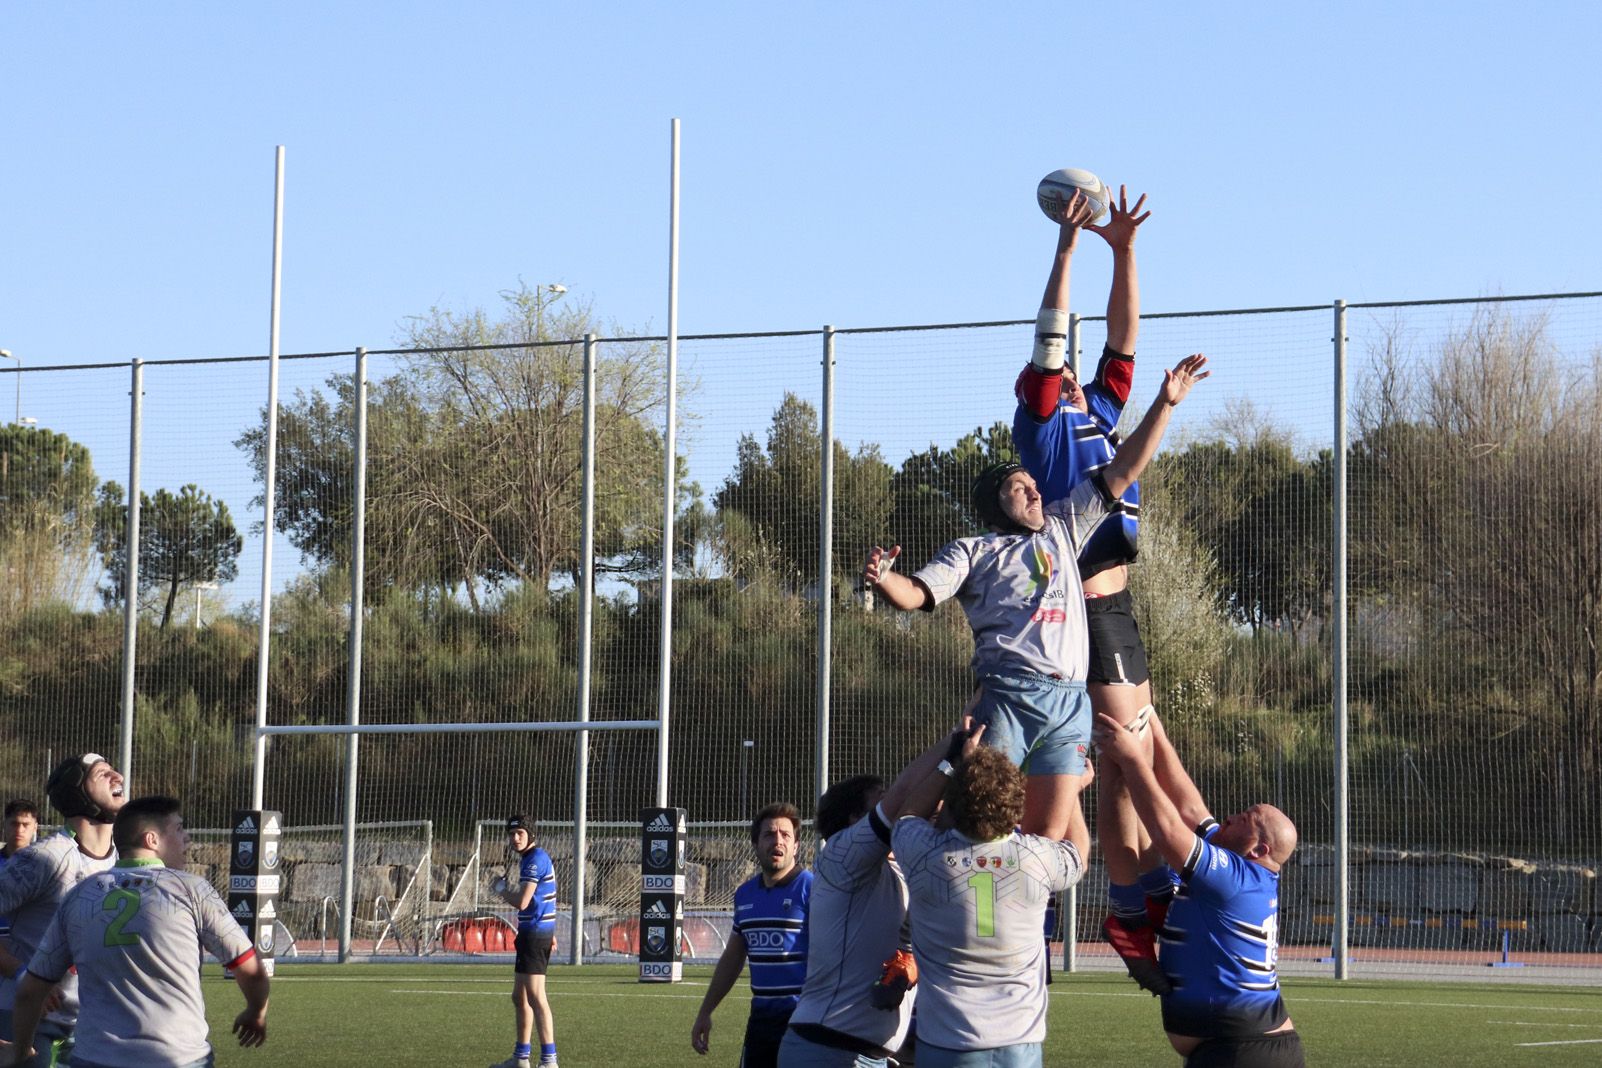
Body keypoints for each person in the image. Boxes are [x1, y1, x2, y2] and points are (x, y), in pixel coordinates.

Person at [863, 350, 1209, 845]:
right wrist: (884, 579)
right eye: (1017, 487)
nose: (1033, 491)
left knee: (1048, 838)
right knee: (979, 826)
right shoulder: (975, 551)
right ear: (993, 506)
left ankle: (1023, 921)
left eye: (1032, 484)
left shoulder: (1065, 527)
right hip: (1009, 700)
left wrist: (1165, 403)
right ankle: (963, 911)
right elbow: (916, 593)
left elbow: (1126, 467)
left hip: (1069, 703)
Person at [1012, 185, 1182, 989]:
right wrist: (1068, 249)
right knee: (1123, 755)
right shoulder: (1042, 424)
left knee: (1120, 762)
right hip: (1085, 606)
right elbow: (1052, 336)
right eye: (1061, 366)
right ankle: (1134, 901)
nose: (1074, 367)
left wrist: (1124, 250)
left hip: (1120, 607)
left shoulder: (1101, 409)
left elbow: (1124, 337)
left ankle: (1130, 901)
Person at [1093, 710, 1305, 1067]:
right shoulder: (1242, 867)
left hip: (1244, 1051)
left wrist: (1132, 758)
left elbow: (1167, 829)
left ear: (1259, 850)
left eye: (1247, 819)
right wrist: (1156, 732)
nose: (1232, 816)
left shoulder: (1234, 879)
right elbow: (1191, 807)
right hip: (1243, 1044)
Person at [4, 795, 269, 1068]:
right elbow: (249, 969)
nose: (187, 838)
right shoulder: (192, 890)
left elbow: (30, 990)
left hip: (95, 1058)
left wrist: (22, 1051)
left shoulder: (79, 895)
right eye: (178, 829)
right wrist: (256, 1011)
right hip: (178, 1058)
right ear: (151, 840)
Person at [779, 722, 987, 1068]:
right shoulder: (839, 856)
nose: (905, 801)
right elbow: (904, 797)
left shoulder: (903, 867)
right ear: (855, 819)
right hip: (826, 1048)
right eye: (882, 799)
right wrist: (953, 750)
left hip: (871, 1055)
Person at [890, 744, 1087, 1067]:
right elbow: (1078, 850)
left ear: (953, 803)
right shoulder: (1036, 860)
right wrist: (1070, 785)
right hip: (1020, 1046)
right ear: (1014, 805)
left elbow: (908, 815)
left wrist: (950, 764)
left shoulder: (925, 856)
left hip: (947, 1043)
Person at [0, 754, 126, 1067]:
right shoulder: (46, 857)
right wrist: (22, 974)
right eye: (103, 773)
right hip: (26, 1015)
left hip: (91, 1021)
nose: (119, 777)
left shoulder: (122, 859)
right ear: (76, 790)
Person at [692, 802, 812, 1068]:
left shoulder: (812, 889)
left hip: (804, 1020)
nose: (777, 841)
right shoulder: (745, 895)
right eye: (769, 834)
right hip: (761, 1021)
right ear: (755, 844)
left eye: (785, 835)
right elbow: (733, 956)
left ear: (796, 846)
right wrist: (706, 1011)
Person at [489, 814, 558, 1068]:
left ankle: (550, 1061)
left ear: (530, 835)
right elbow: (547, 896)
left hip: (534, 935)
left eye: (520, 833)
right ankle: (521, 1058)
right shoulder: (533, 858)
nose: (515, 838)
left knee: (537, 997)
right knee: (519, 997)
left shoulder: (533, 861)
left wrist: (501, 891)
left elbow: (523, 902)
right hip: (534, 933)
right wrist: (551, 932)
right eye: (512, 834)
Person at [0, 801, 40, 943]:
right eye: (14, 824)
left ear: (35, 827)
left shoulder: (45, 866)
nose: (19, 830)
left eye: (25, 825)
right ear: (4, 825)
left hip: (32, 944)